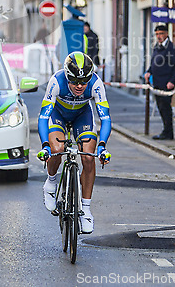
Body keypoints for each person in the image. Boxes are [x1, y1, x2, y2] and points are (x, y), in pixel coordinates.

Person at [37, 51, 112, 234]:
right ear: (67, 76)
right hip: (58, 114)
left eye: (83, 81)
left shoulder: (95, 84)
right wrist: (45, 145)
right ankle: (51, 182)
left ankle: (85, 209)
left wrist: (102, 145)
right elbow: (43, 117)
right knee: (57, 148)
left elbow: (105, 118)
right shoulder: (56, 82)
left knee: (88, 157)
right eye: (75, 81)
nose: (79, 86)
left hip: (82, 115)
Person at [144, 23, 175, 140]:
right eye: (157, 34)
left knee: (166, 108)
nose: (159, 36)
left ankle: (168, 132)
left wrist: (172, 81)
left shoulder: (171, 48)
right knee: (161, 108)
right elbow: (153, 63)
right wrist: (148, 71)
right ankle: (166, 130)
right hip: (157, 83)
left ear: (166, 34)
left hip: (166, 83)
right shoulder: (157, 46)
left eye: (161, 34)